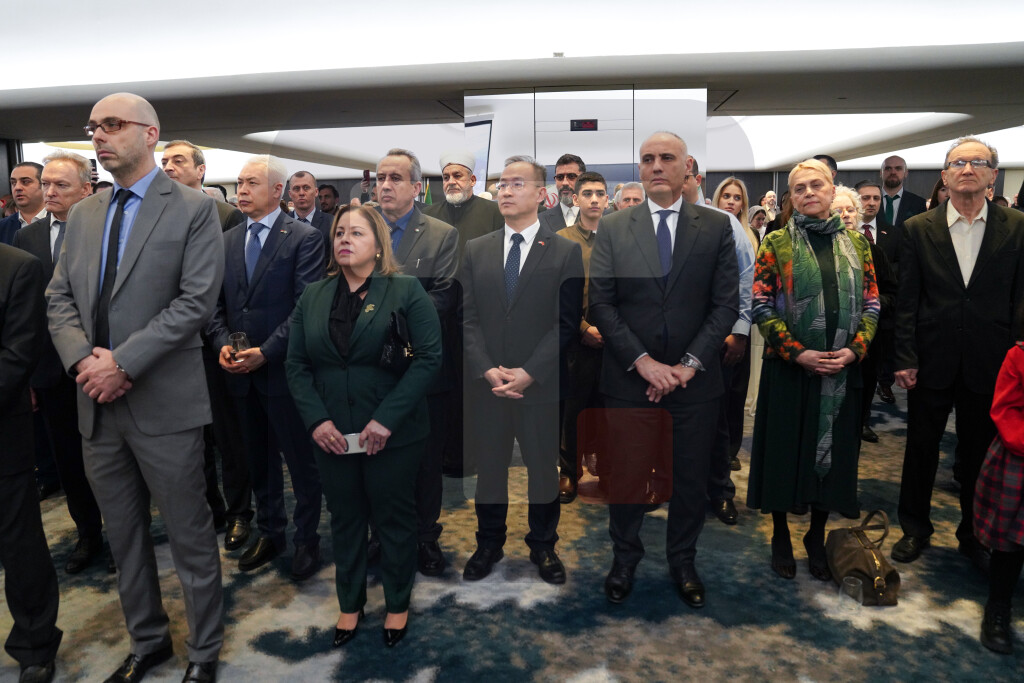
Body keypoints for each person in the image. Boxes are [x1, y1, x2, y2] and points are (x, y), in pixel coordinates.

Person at [47, 92, 224, 682]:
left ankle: (203, 652)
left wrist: (121, 363)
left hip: (164, 402)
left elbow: (195, 303)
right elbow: (58, 298)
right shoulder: (84, 214)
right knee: (123, 537)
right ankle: (148, 642)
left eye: (112, 125)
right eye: (93, 127)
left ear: (150, 134)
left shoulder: (194, 208)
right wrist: (84, 363)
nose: (98, 136)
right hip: (95, 404)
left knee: (189, 535)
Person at [589, 132, 738, 607]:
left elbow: (725, 305)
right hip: (630, 381)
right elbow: (601, 304)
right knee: (627, 478)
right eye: (647, 158)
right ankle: (624, 560)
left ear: (686, 166)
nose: (656, 166)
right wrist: (645, 363)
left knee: (690, 480)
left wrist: (688, 365)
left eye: (666, 158)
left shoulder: (716, 227)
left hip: (695, 384)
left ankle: (683, 561)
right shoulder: (614, 227)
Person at [285, 204, 441, 648]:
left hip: (393, 433)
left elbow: (429, 359)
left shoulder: (406, 290)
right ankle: (349, 604)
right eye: (339, 233)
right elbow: (296, 365)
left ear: (378, 245)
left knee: (394, 518)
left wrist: (386, 420)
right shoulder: (313, 295)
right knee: (346, 519)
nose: (344, 240)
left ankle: (397, 604)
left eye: (356, 233)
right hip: (332, 434)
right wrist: (316, 421)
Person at [892, 137, 1024, 574]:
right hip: (931, 357)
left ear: (993, 174)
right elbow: (907, 300)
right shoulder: (918, 228)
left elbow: (1021, 298)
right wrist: (904, 356)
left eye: (977, 162)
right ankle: (914, 527)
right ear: (944, 176)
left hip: (993, 361)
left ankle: (974, 533)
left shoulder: (1017, 226)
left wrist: (1018, 358)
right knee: (921, 448)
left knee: (979, 452)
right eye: (957, 163)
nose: (967, 169)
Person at [746, 159, 879, 581]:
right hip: (790, 369)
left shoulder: (857, 244)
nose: (808, 193)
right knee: (784, 454)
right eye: (799, 188)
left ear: (831, 189)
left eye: (816, 185)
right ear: (792, 197)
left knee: (833, 457)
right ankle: (781, 534)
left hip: (841, 371)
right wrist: (797, 352)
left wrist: (855, 351)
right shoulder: (776, 243)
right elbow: (761, 305)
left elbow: (873, 303)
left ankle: (816, 534)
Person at [461, 155, 584, 585]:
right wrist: (485, 368)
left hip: (541, 385)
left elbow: (566, 323)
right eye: (502, 184)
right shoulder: (476, 249)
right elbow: (467, 318)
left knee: (542, 470)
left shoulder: (565, 251)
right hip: (489, 386)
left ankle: (543, 544)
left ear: (541, 194)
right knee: (490, 470)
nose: (506, 191)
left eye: (517, 183)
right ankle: (488, 543)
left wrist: (530, 372)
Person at [206, 155, 325, 581]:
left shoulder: (304, 237)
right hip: (239, 374)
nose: (241, 190)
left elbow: (305, 307)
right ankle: (272, 531)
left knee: (301, 462)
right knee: (257, 460)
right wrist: (222, 343)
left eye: (251, 183)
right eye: (239, 183)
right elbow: (213, 306)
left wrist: (266, 352)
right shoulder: (226, 241)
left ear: (278, 190)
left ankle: (307, 538)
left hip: (285, 371)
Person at [13, 151, 106, 575]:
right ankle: (88, 535)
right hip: (52, 371)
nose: (49, 192)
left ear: (86, 189)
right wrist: (30, 375)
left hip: (101, 366)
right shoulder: (27, 238)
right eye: (46, 183)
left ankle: (127, 536)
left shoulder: (106, 229)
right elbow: (26, 313)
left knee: (113, 459)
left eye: (60, 185)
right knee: (69, 462)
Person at [161, 139, 253, 552]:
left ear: (200, 170)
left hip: (215, 341)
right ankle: (209, 508)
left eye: (178, 160)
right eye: (164, 161)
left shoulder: (226, 215)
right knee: (189, 439)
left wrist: (224, 337)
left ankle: (239, 512)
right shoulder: (155, 215)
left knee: (228, 436)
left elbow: (230, 284)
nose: (168, 167)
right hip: (172, 345)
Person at [374, 148, 458, 577]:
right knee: (376, 458)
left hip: (421, 367)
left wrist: (384, 319)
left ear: (416, 187)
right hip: (369, 369)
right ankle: (381, 535)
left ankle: (425, 536)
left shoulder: (441, 234)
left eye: (395, 178)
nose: (385, 185)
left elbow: (444, 297)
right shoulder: (359, 228)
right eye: (380, 178)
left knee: (426, 462)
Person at [0, 242, 62, 683]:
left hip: (3, 434)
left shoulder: (19, 268)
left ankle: (35, 645)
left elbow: (17, 357)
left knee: (19, 545)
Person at [556, 171, 609, 503]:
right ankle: (569, 472)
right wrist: (583, 327)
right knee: (572, 410)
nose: (594, 199)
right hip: (576, 339)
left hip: (614, 339)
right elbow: (553, 293)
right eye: (587, 193)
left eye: (599, 193)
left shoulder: (619, 238)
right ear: (575, 199)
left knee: (608, 409)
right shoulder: (561, 240)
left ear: (607, 199)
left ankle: (608, 470)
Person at [973, 307, 1024, 654]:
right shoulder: (1018, 356)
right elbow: (1006, 410)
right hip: (1019, 457)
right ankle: (999, 604)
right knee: (1009, 540)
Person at [830, 185, 897, 445]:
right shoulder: (817, 251)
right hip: (829, 338)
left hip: (867, 338)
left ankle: (861, 423)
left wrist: (869, 303)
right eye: (839, 210)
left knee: (864, 387)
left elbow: (892, 293)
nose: (846, 215)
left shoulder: (873, 251)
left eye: (851, 210)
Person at [0, 162, 47, 245]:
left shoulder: (61, 222)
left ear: (44, 185)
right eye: (13, 183)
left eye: (25, 182)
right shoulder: (2, 227)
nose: (17, 187)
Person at [538, 153, 586, 231]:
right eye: (560, 177)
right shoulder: (540, 221)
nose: (565, 183)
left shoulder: (600, 219)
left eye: (571, 176)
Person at [880, 155, 928, 227]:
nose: (893, 172)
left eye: (898, 168)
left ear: (906, 173)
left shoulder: (918, 203)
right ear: (881, 173)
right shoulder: (868, 200)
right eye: (888, 168)